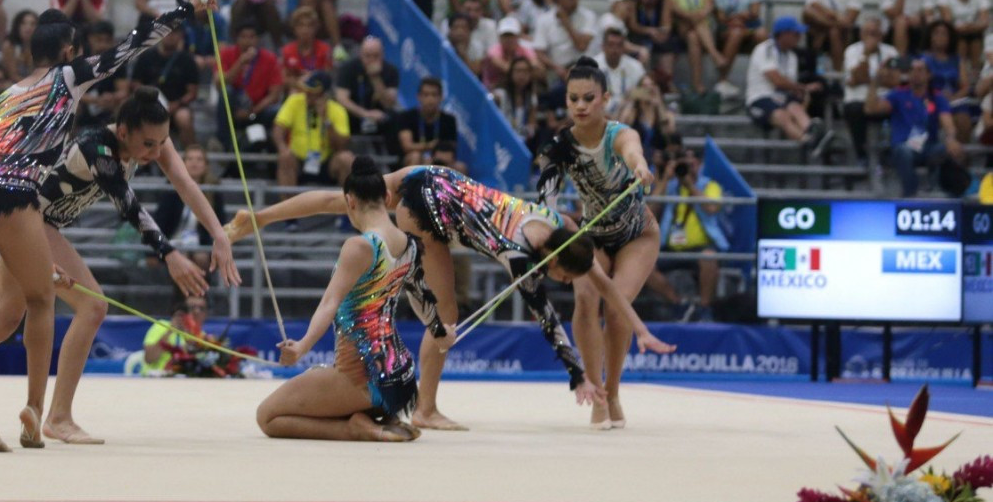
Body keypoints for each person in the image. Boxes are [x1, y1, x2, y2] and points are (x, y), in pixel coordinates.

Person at [0, 0, 216, 452]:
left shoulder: (8, 93)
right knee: (52, 305)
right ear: (69, 51)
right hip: (17, 201)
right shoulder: (70, 82)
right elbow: (133, 44)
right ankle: (45, 414)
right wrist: (184, 10)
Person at [227, 165, 674, 430]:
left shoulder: (561, 226)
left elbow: (600, 280)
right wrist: (577, 375)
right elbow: (545, 316)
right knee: (446, 316)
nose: (556, 280)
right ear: (551, 260)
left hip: (438, 177)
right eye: (557, 276)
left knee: (350, 197)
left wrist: (640, 329)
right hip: (432, 215)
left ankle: (260, 218)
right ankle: (425, 410)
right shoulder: (517, 255)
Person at [257, 156, 450, 441]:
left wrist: (301, 347)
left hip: (361, 378)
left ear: (350, 201)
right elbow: (424, 299)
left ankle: (354, 428)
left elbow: (329, 303)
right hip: (401, 379)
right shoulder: (409, 245)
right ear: (386, 197)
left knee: (268, 417)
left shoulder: (360, 246)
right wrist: (442, 333)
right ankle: (375, 417)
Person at [536, 56, 672, 429]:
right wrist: (548, 231)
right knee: (584, 298)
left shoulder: (619, 134)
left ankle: (612, 391)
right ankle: (594, 389)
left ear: (605, 99)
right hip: (592, 234)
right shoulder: (559, 147)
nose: (580, 106)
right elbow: (545, 199)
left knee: (616, 307)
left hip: (636, 234)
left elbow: (633, 153)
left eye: (588, 98)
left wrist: (640, 167)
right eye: (573, 99)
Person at [646, 147, 727, 322]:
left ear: (699, 164)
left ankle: (705, 309)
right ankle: (680, 304)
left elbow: (712, 207)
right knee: (643, 265)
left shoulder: (710, 185)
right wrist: (666, 178)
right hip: (670, 247)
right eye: (685, 164)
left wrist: (690, 185)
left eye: (692, 164)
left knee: (709, 257)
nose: (688, 168)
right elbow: (649, 211)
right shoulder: (671, 186)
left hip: (700, 247)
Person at [866, 56, 966, 197]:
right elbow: (871, 109)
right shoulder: (898, 94)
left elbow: (947, 123)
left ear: (928, 74)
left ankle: (936, 190)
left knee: (943, 150)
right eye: (912, 70)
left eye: (920, 70)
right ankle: (910, 193)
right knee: (903, 151)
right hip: (903, 145)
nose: (915, 73)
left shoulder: (936, 97)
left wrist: (951, 139)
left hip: (928, 146)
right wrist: (875, 82)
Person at [745, 16, 832, 158]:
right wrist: (804, 88)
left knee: (794, 107)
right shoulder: (765, 49)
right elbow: (777, 81)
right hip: (759, 99)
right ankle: (809, 142)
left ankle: (813, 132)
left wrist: (802, 93)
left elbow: (789, 88)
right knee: (783, 114)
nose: (799, 37)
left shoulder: (791, 56)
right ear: (784, 34)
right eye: (795, 34)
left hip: (779, 99)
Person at [274, 71, 354, 187]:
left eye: (312, 92)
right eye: (307, 90)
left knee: (346, 159)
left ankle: (347, 203)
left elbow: (341, 146)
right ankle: (288, 204)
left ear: (324, 95)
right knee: (285, 157)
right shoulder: (295, 101)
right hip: (298, 161)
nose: (307, 93)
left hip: (326, 162)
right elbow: (278, 128)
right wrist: (282, 148)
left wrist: (326, 120)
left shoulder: (337, 110)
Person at [154, 144, 227, 270]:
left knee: (200, 256)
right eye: (190, 159)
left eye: (199, 159)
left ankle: (199, 289)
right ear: (182, 163)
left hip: (201, 244)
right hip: (173, 241)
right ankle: (184, 289)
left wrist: (208, 247)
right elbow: (160, 223)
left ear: (206, 165)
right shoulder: (170, 190)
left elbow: (221, 224)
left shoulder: (214, 192)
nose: (194, 163)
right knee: (182, 255)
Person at [664, 0, 726, 94]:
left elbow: (709, 5)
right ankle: (714, 54)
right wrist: (694, 15)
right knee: (696, 25)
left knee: (694, 36)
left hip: (700, 29)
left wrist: (698, 15)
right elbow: (675, 8)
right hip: (681, 26)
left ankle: (697, 84)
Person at [216, 22, 284, 151]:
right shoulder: (226, 54)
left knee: (278, 110)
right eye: (243, 36)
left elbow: (274, 95)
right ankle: (225, 144)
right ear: (236, 38)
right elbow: (219, 84)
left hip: (258, 110)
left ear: (258, 39)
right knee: (227, 91)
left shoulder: (270, 58)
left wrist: (252, 112)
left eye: (252, 36)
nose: (248, 41)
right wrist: (240, 63)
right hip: (234, 109)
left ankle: (272, 148)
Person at [130, 26, 200, 146]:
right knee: (131, 114)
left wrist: (176, 104)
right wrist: (149, 101)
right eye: (167, 33)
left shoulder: (187, 60)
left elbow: (192, 92)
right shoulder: (146, 57)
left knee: (184, 118)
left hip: (177, 107)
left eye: (174, 33)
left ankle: (191, 154)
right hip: (149, 104)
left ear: (180, 36)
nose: (170, 36)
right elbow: (135, 84)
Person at [843, 16, 900, 162]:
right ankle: (861, 155)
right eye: (867, 33)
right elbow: (857, 77)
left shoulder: (891, 51)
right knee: (853, 110)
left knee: (901, 106)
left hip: (884, 99)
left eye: (874, 33)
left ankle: (893, 151)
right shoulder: (852, 50)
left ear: (881, 35)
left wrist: (864, 79)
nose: (871, 37)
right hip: (858, 100)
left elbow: (895, 81)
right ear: (861, 34)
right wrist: (866, 55)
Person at [712, 0, 766, 97]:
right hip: (728, 29)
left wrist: (739, 17)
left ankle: (764, 79)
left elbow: (755, 12)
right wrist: (738, 18)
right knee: (736, 32)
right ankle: (722, 80)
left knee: (762, 33)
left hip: (748, 27)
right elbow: (720, 16)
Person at [802, 0, 861, 72]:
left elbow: (849, 20)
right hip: (820, 29)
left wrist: (827, 11)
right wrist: (836, 18)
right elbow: (807, 15)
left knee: (834, 31)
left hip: (843, 32)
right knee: (812, 15)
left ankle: (838, 71)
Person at [923, 20, 976, 143]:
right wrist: (938, 97)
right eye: (936, 33)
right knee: (929, 113)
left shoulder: (957, 60)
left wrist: (952, 98)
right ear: (930, 36)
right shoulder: (924, 59)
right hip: (931, 101)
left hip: (954, 100)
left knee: (963, 120)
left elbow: (965, 87)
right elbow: (921, 85)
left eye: (944, 34)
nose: (940, 37)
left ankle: (960, 158)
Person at [335, 36, 399, 135]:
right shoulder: (348, 68)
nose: (372, 60)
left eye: (376, 56)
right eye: (368, 56)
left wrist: (375, 78)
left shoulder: (391, 71)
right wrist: (366, 114)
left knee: (396, 118)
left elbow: (389, 103)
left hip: (379, 116)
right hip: (354, 113)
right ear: (361, 54)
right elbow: (342, 99)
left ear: (383, 55)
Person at [533, 0, 597, 81]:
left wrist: (566, 23)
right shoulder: (544, 20)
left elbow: (581, 46)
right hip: (556, 70)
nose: (576, 1)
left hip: (583, 69)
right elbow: (539, 52)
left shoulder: (588, 16)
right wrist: (557, 68)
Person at [396, 78, 460, 169]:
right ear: (419, 96)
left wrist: (435, 158)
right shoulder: (406, 117)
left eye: (434, 95)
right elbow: (407, 146)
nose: (430, 99)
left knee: (461, 167)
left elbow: (451, 148)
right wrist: (429, 146)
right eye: (426, 95)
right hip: (414, 158)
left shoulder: (449, 120)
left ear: (441, 97)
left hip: (439, 159)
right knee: (415, 156)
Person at [938, 0, 990, 69]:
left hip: (973, 32)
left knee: (975, 39)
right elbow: (948, 21)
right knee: (961, 40)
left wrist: (969, 27)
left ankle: (975, 72)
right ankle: (960, 71)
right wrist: (968, 27)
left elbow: (984, 21)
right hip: (954, 32)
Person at [627, 0, 675, 88]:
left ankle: (666, 83)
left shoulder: (662, 3)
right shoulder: (635, 1)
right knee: (644, 49)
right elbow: (633, 25)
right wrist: (650, 31)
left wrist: (661, 33)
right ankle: (641, 84)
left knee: (668, 46)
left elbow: (667, 26)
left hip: (655, 36)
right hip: (637, 35)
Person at [78, 21, 127, 128]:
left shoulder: (118, 62)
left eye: (107, 41)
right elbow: (73, 91)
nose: (103, 45)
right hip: (87, 104)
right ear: (90, 39)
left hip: (110, 104)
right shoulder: (80, 61)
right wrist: (95, 100)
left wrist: (112, 97)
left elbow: (123, 91)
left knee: (124, 105)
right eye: (99, 40)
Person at [143, 294, 207, 375]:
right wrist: (170, 330)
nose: (197, 311)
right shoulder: (161, 326)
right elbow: (149, 358)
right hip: (155, 380)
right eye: (192, 307)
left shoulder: (202, 336)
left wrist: (187, 334)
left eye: (201, 308)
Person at [616, 74, 675, 162]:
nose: (648, 89)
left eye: (652, 85)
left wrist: (659, 105)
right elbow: (620, 127)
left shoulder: (666, 114)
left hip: (659, 161)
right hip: (635, 158)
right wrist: (631, 99)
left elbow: (669, 135)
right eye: (644, 86)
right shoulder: (633, 112)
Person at [281, 6, 333, 94]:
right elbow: (283, 79)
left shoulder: (325, 49)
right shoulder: (287, 50)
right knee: (294, 93)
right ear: (294, 28)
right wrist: (299, 82)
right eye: (301, 25)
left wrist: (312, 77)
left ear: (316, 28)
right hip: (296, 89)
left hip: (318, 90)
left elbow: (327, 76)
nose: (305, 30)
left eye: (309, 26)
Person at [594, 28, 646, 116]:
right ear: (603, 46)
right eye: (611, 45)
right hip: (601, 111)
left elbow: (648, 92)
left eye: (619, 45)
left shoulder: (635, 66)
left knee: (631, 109)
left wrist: (632, 94)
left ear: (624, 47)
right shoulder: (593, 66)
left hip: (628, 108)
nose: (615, 49)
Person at [493, 56, 540, 150]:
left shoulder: (531, 98)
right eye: (518, 71)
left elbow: (532, 123)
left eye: (525, 71)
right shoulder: (500, 94)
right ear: (511, 73)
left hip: (521, 141)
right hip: (500, 139)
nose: (522, 75)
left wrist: (529, 130)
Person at [483, 16, 542, 90]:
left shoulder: (525, 49)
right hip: (494, 88)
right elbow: (507, 69)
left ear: (518, 37)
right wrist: (526, 71)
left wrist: (526, 72)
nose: (509, 40)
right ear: (500, 37)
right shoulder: (493, 51)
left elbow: (537, 67)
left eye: (512, 36)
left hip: (519, 87)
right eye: (505, 36)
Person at [1, 9, 37, 80]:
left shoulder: (41, 47)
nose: (28, 27)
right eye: (23, 23)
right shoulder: (9, 46)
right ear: (17, 26)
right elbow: (13, 76)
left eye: (32, 24)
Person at [446, 13, 484, 78]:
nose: (460, 31)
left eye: (464, 28)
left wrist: (463, 55)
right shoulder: (445, 46)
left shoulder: (477, 46)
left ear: (470, 31)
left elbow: (476, 72)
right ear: (450, 30)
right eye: (456, 27)